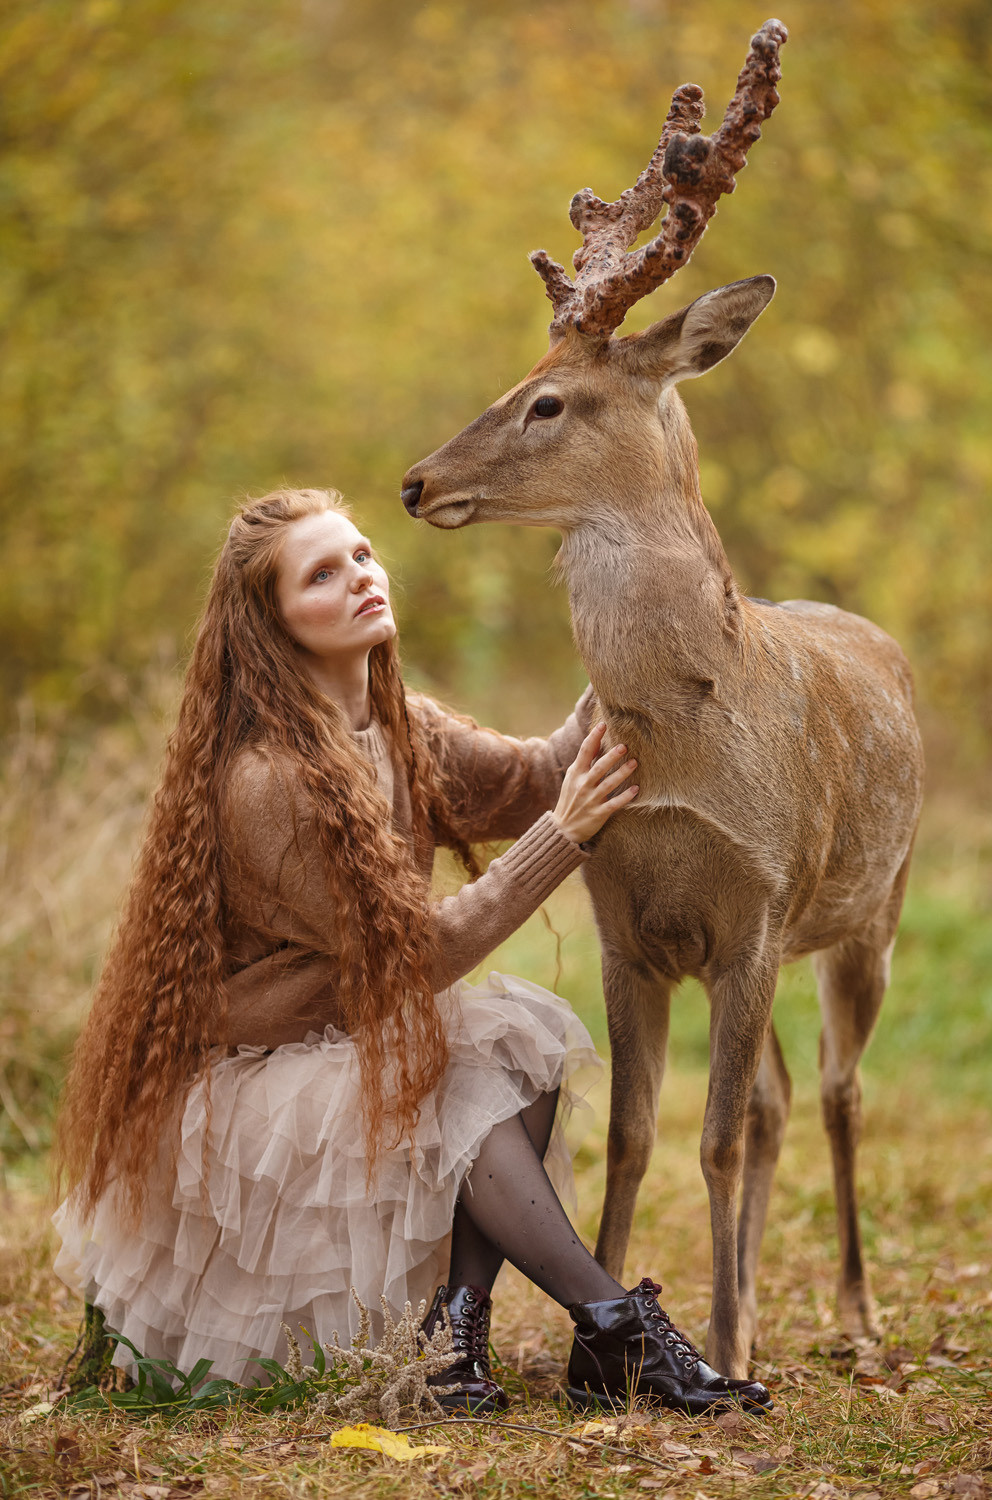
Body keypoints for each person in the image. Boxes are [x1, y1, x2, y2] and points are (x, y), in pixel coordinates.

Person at [53, 488, 771, 1416]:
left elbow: (538, 775)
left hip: (351, 1029)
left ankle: (456, 1343)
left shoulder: (398, 724)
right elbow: (412, 956)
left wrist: (633, 627)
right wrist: (564, 838)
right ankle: (613, 1327)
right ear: (271, 625)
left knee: (525, 1049)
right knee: (463, 1076)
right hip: (260, 1080)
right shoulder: (266, 782)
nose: (359, 578)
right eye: (322, 574)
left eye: (360, 555)